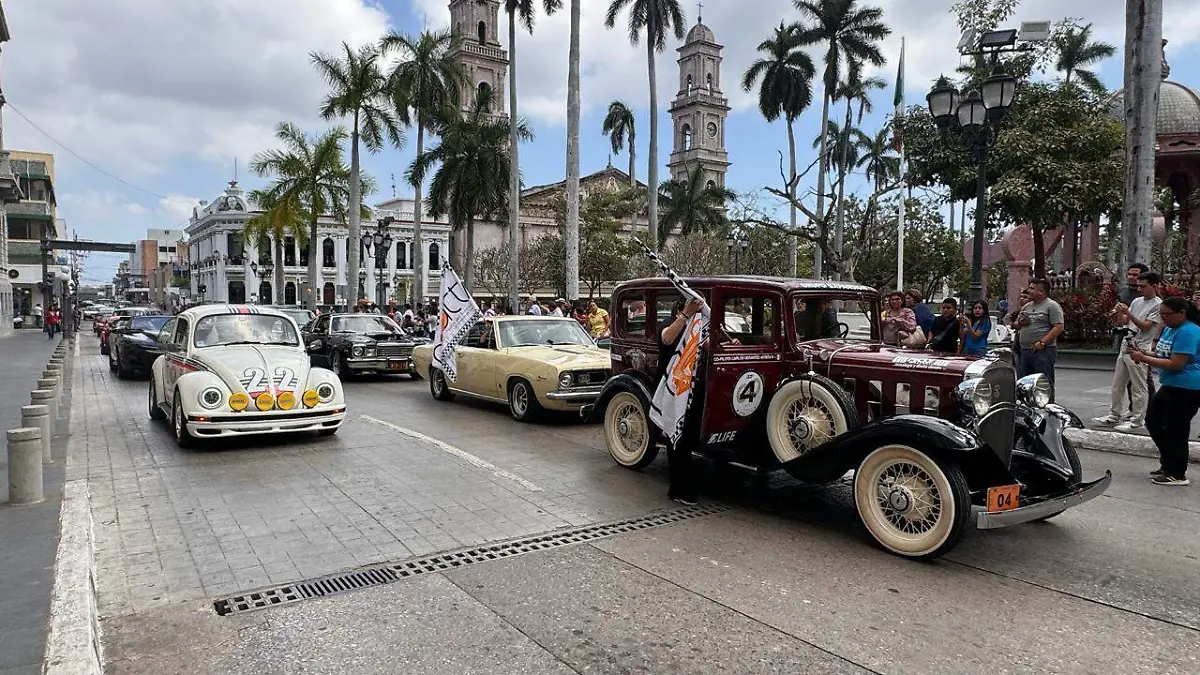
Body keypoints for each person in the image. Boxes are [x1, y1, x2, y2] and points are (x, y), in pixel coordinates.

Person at [656, 297, 739, 505]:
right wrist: (686, 314)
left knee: (688, 438)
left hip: (695, 389)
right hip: (675, 390)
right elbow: (666, 338)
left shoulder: (699, 330)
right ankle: (681, 489)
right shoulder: (672, 325)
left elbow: (707, 348)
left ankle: (685, 485)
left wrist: (730, 345)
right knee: (678, 440)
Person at [1129, 296, 1198, 486]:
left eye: (1167, 315)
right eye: (1161, 315)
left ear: (1182, 313)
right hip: (1170, 385)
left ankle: (1177, 473)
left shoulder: (1188, 332)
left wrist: (1143, 359)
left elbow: (1176, 363)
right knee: (1153, 420)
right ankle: (1168, 463)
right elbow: (1163, 353)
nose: (1164, 319)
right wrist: (1143, 353)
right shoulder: (1170, 329)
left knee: (1176, 429)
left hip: (1187, 387)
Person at [1094, 271, 1161, 432]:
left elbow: (1145, 326)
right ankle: (1114, 414)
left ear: (1154, 286)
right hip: (1127, 343)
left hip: (1141, 346)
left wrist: (1128, 313)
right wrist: (1119, 312)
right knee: (1118, 383)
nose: (1140, 289)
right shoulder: (1137, 301)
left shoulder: (1158, 304)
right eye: (1138, 286)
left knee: (1138, 386)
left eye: (1143, 286)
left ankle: (1137, 419)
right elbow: (1123, 322)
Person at [1015, 279, 1064, 399]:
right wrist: (1020, 323)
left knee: (1043, 381)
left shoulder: (1052, 306)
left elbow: (1058, 327)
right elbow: (1016, 323)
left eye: (1032, 288)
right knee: (1025, 382)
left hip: (1043, 351)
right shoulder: (1027, 306)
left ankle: (1047, 406)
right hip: (1025, 350)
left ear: (1041, 292)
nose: (1029, 290)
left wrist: (1043, 342)